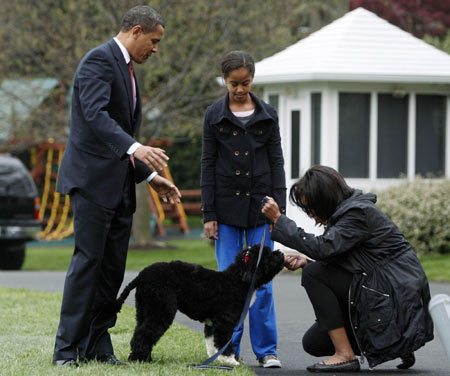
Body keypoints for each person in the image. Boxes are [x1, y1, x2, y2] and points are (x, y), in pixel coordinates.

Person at [53, 6, 181, 367]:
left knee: (111, 271)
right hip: (92, 184)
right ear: (137, 31)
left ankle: (97, 345)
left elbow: (119, 140)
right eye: (154, 41)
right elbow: (94, 116)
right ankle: (65, 351)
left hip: (120, 187)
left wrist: (150, 177)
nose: (156, 49)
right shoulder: (98, 60)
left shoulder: (127, 70)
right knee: (87, 265)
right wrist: (137, 147)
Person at [262, 165, 434, 373]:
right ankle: (394, 344)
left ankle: (346, 355)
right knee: (314, 343)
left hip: (396, 299)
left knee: (313, 275)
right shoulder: (349, 213)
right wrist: (307, 261)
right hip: (386, 292)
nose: (311, 215)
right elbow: (346, 260)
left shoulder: (357, 213)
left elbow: (324, 248)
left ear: (325, 200)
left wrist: (280, 221)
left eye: (310, 208)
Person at [201, 50, 286, 368]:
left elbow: (276, 161)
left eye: (245, 83)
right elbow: (207, 164)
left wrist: (279, 209)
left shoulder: (268, 114)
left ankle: (267, 352)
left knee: (261, 286)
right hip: (225, 211)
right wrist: (209, 214)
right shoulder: (214, 115)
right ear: (224, 80)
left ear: (252, 79)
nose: (239, 89)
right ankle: (226, 350)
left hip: (261, 210)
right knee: (227, 284)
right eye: (234, 83)